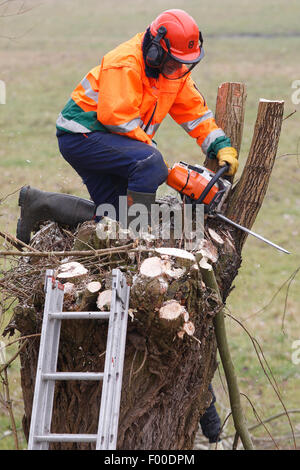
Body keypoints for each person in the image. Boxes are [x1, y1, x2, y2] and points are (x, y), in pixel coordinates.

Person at [17, 8, 238, 244]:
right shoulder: (125, 63)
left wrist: (219, 144)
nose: (179, 69)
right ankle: (136, 246)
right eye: (174, 61)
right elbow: (118, 119)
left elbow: (194, 113)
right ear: (156, 51)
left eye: (184, 63)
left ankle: (38, 203)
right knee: (149, 165)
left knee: (114, 216)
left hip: (109, 139)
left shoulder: (173, 74)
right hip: (82, 135)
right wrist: (159, 165)